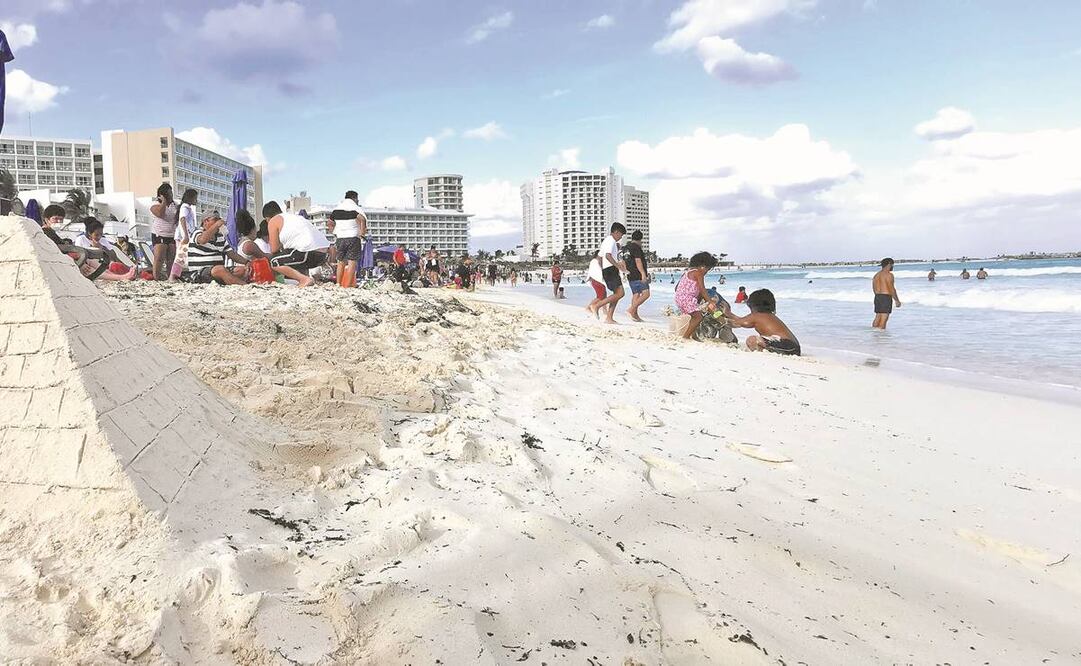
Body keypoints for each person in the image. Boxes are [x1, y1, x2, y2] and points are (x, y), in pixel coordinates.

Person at [45, 210, 136, 281]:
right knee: (90, 267)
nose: (59, 222)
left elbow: (113, 254)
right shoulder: (46, 234)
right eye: (55, 219)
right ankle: (121, 277)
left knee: (94, 263)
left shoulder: (103, 240)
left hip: (89, 260)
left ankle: (119, 276)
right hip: (72, 261)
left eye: (61, 219)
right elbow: (65, 250)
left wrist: (101, 247)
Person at [723, 289, 801, 355]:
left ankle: (763, 352)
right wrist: (730, 315)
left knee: (752, 340)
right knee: (762, 341)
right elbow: (741, 320)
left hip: (786, 345)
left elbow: (738, 322)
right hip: (794, 347)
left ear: (753, 306)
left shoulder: (757, 316)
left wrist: (727, 314)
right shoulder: (768, 316)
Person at [263, 201, 330, 276]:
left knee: (274, 261)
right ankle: (305, 277)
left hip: (307, 253)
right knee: (293, 254)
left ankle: (304, 279)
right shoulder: (295, 217)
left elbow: (274, 249)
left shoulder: (273, 220)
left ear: (267, 218)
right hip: (324, 254)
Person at [183, 212, 249, 285]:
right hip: (200, 272)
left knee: (241, 270)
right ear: (206, 221)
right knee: (219, 269)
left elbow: (232, 254)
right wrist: (217, 225)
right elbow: (203, 240)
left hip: (217, 271)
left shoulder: (220, 237)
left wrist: (247, 262)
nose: (219, 221)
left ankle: (231, 280)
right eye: (215, 219)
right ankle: (243, 285)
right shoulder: (197, 232)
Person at [674, 251, 720, 339]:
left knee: (694, 317)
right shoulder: (699, 273)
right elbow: (702, 289)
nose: (706, 272)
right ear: (703, 266)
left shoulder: (687, 272)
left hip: (679, 298)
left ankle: (694, 335)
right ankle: (686, 337)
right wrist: (710, 301)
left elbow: (676, 288)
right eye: (707, 269)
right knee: (698, 317)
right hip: (687, 299)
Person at [589, 223, 627, 324]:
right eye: (621, 235)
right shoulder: (611, 241)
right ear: (616, 232)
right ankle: (597, 306)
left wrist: (603, 269)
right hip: (611, 270)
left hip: (608, 270)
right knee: (620, 293)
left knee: (616, 295)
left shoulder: (606, 241)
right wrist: (618, 266)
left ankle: (609, 318)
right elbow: (607, 256)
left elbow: (600, 257)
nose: (621, 237)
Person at [329, 190, 367, 288]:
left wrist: (334, 232)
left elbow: (330, 223)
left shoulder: (336, 210)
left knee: (340, 262)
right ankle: (349, 285)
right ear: (354, 198)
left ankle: (338, 283)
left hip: (340, 238)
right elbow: (362, 219)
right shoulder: (354, 209)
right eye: (357, 199)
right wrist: (362, 233)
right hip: (353, 237)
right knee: (352, 262)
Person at [149, 182, 179, 281]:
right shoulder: (155, 205)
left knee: (171, 259)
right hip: (160, 234)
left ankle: (170, 277)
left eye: (171, 192)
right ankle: (156, 278)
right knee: (159, 258)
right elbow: (160, 214)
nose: (170, 195)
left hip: (172, 234)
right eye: (168, 193)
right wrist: (164, 202)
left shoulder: (175, 205)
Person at [624, 230, 650, 322]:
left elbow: (623, 261)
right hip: (638, 274)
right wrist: (643, 273)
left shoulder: (626, 248)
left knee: (636, 294)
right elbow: (638, 261)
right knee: (646, 294)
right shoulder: (636, 248)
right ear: (640, 239)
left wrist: (625, 272)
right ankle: (631, 310)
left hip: (630, 274)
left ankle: (634, 315)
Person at [872, 257, 902, 329]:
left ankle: (874, 334)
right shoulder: (889, 275)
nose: (892, 266)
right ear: (889, 264)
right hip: (885, 297)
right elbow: (891, 288)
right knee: (884, 319)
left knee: (878, 317)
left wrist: (879, 296)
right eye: (892, 265)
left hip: (877, 297)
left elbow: (874, 288)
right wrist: (897, 300)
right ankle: (881, 335)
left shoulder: (876, 275)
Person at [585, 251, 607, 318]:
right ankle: (590, 307)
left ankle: (604, 310)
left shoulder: (595, 261)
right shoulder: (595, 261)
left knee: (603, 295)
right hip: (597, 280)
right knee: (601, 296)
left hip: (596, 281)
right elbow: (597, 271)